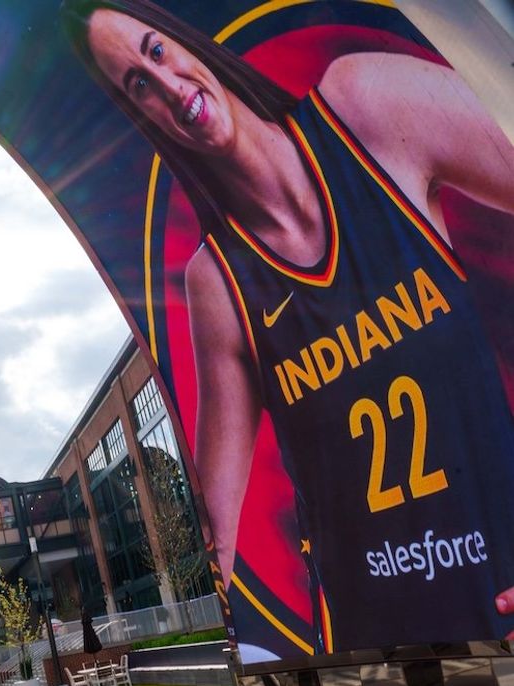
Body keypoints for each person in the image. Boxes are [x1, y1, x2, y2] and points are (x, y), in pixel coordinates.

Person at [62, 0, 514, 652]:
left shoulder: (366, 106)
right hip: (381, 662)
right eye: (137, 86)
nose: (163, 84)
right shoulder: (218, 282)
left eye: (154, 52)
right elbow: (212, 538)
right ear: (140, 119)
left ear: (184, 44)